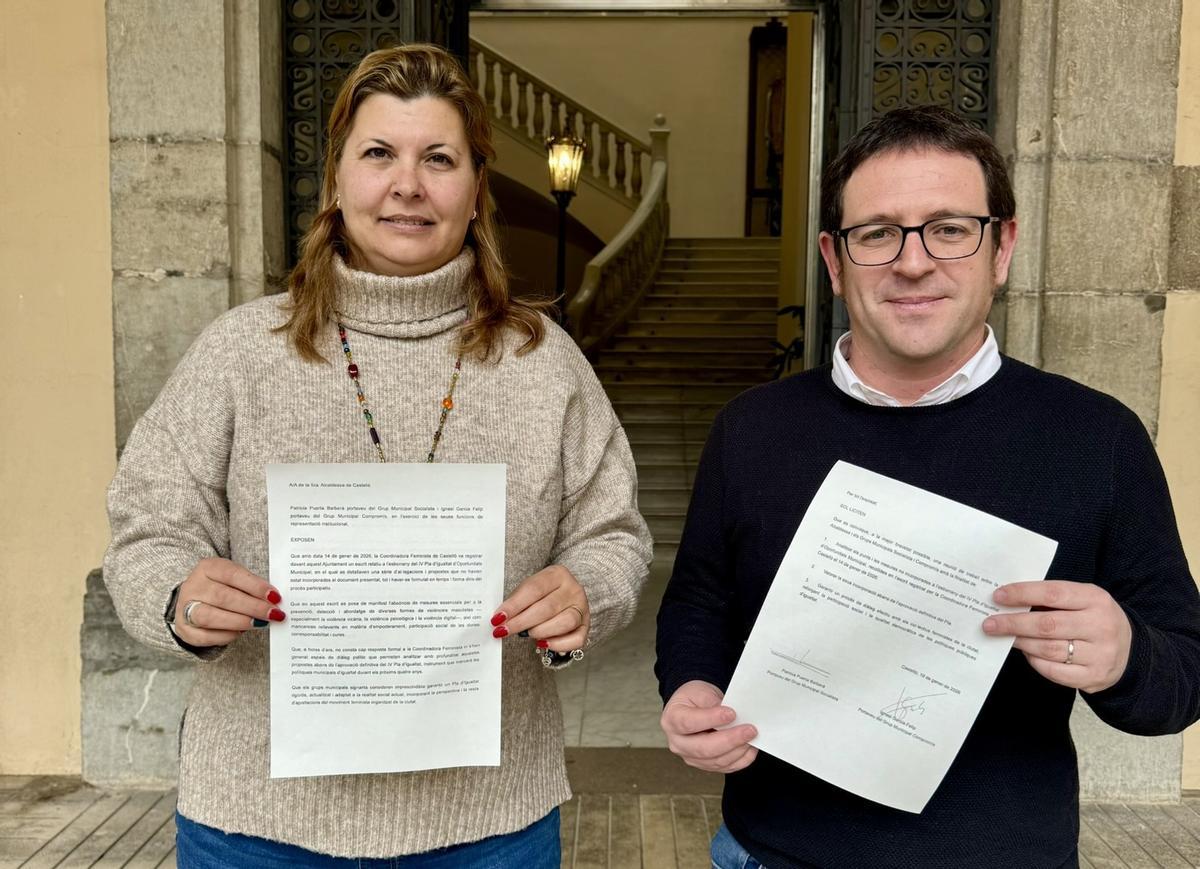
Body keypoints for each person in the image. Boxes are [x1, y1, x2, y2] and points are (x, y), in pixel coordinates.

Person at [104, 43, 651, 867]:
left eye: (439, 158)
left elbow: (613, 532)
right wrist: (177, 594)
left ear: (476, 190)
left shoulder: (545, 363)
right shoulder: (240, 351)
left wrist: (590, 592)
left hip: (487, 822)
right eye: (378, 154)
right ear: (336, 182)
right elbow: (147, 525)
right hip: (258, 824)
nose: (408, 184)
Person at [655, 105, 1200, 869]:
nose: (913, 262)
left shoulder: (1097, 438)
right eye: (877, 233)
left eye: (949, 228)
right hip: (772, 853)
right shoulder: (752, 428)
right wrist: (689, 686)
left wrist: (1125, 656)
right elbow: (699, 601)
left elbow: (1183, 676)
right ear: (835, 261)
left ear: (1001, 246)